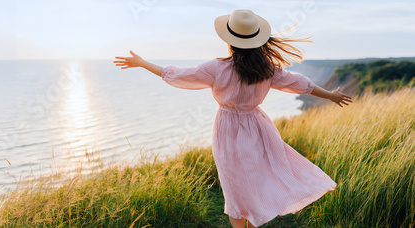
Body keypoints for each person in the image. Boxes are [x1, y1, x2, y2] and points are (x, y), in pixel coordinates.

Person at [113, 9, 352, 228]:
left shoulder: (216, 68)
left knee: (233, 184)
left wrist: (143, 63)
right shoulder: (267, 69)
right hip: (258, 126)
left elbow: (175, 74)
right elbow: (301, 83)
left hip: (228, 129)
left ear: (230, 41)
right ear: (257, 40)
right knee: (253, 179)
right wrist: (330, 95)